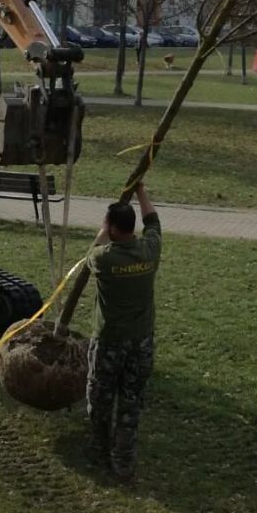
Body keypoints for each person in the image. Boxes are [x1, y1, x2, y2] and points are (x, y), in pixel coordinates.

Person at [86, 181, 162, 483]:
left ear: (114, 229)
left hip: (109, 345)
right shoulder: (150, 251)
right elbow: (153, 222)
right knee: (131, 404)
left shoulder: (104, 259)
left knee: (99, 400)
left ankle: (99, 450)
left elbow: (93, 249)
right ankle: (123, 461)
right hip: (141, 344)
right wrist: (141, 190)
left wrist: (104, 227)